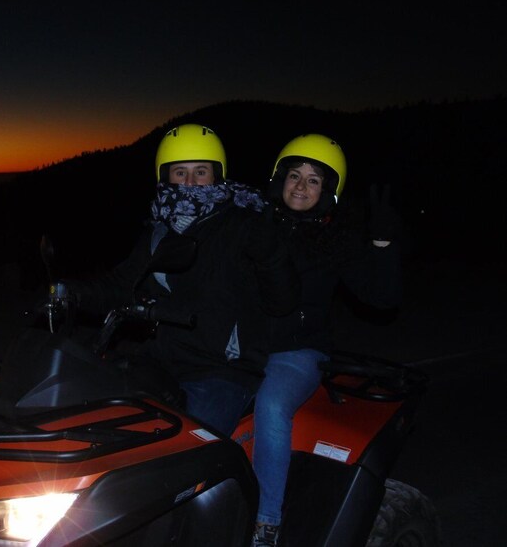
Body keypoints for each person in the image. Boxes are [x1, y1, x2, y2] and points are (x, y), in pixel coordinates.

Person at [59, 123, 300, 437]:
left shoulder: (244, 224)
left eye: (201, 172)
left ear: (217, 174)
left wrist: (271, 253)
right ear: (165, 176)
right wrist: (72, 292)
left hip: (222, 372)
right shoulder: (159, 231)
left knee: (190, 453)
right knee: (101, 425)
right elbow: (121, 285)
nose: (190, 182)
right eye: (180, 172)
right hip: (161, 360)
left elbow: (282, 302)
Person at [250, 133, 402, 547]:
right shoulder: (255, 227)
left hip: (297, 352)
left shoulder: (336, 242)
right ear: (278, 179)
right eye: (294, 175)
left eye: (315, 180)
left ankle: (266, 523)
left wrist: (383, 243)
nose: (301, 186)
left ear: (329, 191)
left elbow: (382, 298)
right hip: (245, 346)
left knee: (272, 404)